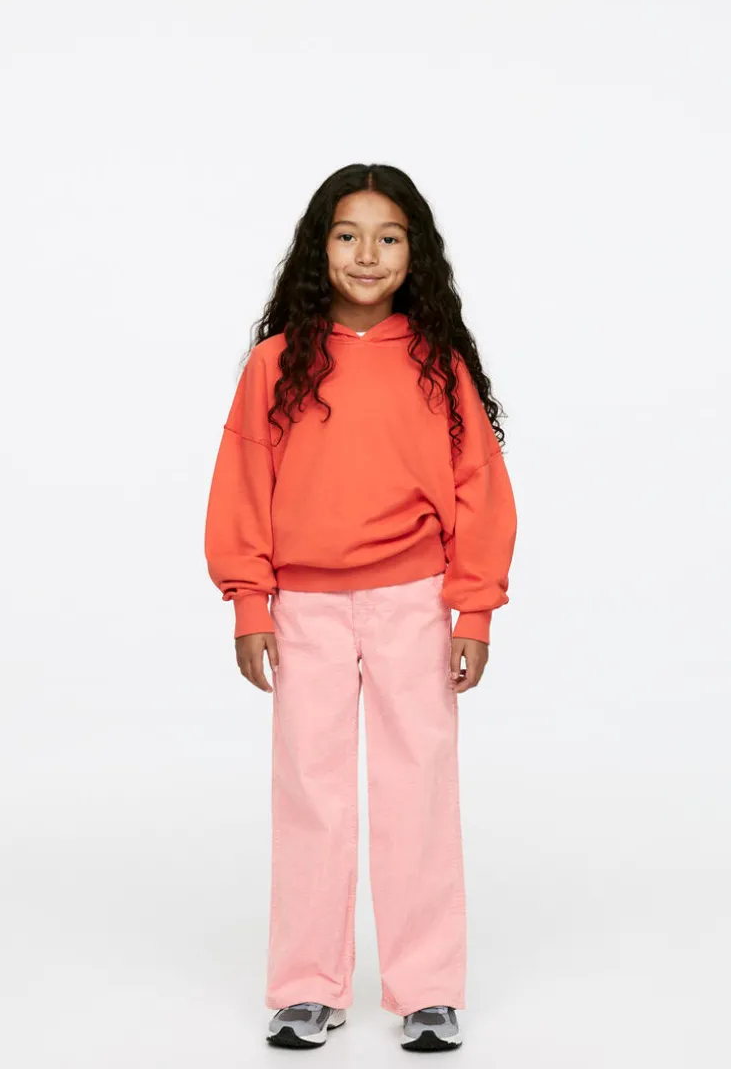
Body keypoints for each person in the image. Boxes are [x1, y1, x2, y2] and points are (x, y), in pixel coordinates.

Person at [203, 162, 517, 1052]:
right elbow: (242, 484)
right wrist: (250, 604)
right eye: (347, 236)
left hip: (414, 602)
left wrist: (474, 612)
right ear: (320, 248)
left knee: (419, 790)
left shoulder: (437, 365)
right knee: (313, 793)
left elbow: (480, 490)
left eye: (388, 237)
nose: (367, 254)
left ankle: (428, 990)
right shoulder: (276, 364)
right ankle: (308, 986)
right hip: (303, 607)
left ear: (415, 254)